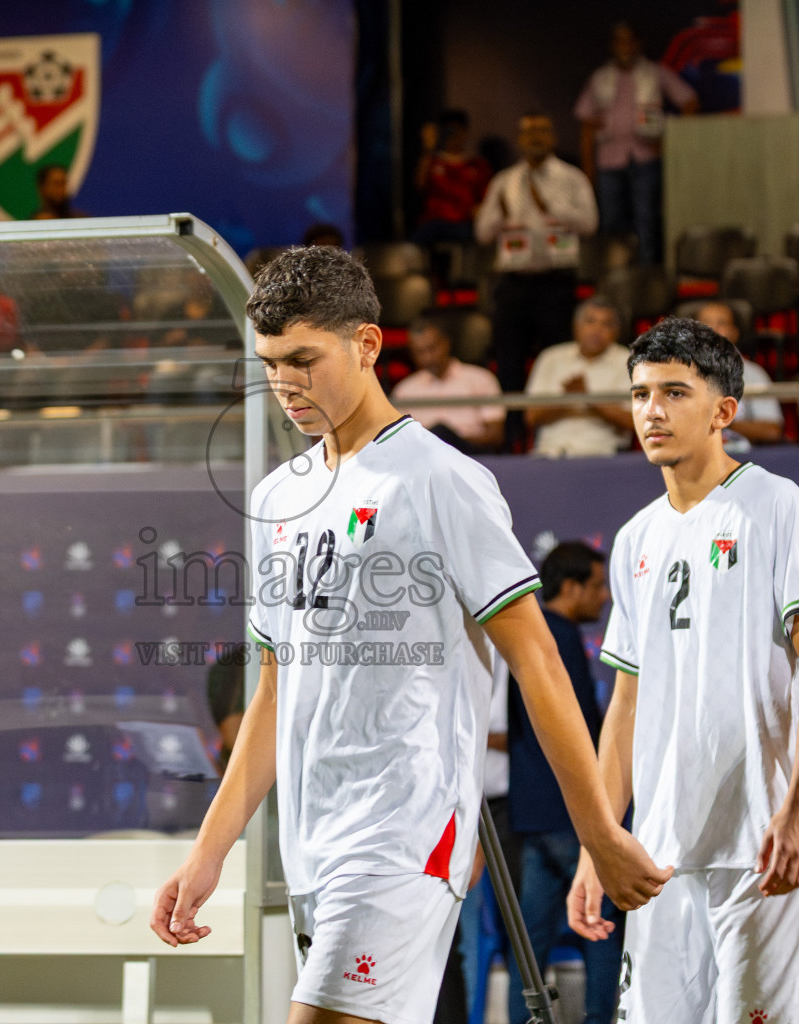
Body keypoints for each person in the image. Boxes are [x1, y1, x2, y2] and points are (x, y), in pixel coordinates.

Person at [150, 246, 671, 1024]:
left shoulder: (442, 479)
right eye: (268, 364)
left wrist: (596, 828)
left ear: (367, 345)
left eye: (303, 359)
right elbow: (273, 692)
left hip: (404, 832)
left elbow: (537, 662)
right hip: (312, 843)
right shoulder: (276, 496)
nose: (284, 384)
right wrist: (210, 848)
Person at [570, 317, 799, 1024]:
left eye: (673, 392)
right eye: (638, 395)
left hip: (762, 840)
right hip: (659, 853)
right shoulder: (634, 538)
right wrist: (597, 845)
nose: (651, 411)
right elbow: (624, 707)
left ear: (724, 411)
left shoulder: (776, 505)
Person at [508, 541, 624, 1024]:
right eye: (597, 586)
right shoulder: (558, 640)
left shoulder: (525, 632)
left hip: (533, 816)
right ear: (571, 586)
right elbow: (579, 733)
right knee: (601, 931)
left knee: (529, 951)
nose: (605, 597)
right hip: (571, 821)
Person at [475, 113, 598, 408]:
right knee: (510, 363)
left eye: (541, 131)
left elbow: (590, 224)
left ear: (553, 137)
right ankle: (512, 440)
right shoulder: (504, 181)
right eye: (528, 132)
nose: (535, 138)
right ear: (519, 139)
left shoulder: (571, 178)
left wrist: (552, 207)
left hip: (555, 282)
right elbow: (482, 233)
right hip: (513, 283)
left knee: (556, 358)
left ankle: (551, 431)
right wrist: (501, 217)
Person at [574, 22, 698, 265]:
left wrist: (671, 136)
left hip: (646, 157)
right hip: (609, 159)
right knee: (611, 220)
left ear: (639, 43)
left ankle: (648, 276)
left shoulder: (654, 72)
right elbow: (586, 122)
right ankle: (615, 273)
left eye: (630, 40)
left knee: (647, 218)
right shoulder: (601, 77)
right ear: (612, 45)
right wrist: (588, 169)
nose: (625, 46)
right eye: (620, 41)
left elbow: (690, 101)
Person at [524, 297, 632, 458]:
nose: (597, 330)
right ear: (576, 326)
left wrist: (590, 399)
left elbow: (635, 422)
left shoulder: (629, 361)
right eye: (590, 322)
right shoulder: (551, 357)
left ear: (616, 332)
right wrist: (566, 398)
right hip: (548, 454)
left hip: (602, 456)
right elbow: (531, 416)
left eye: (606, 324)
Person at [391, 311, 505, 454]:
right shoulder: (404, 390)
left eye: (432, 348)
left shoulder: (481, 379)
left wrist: (449, 442)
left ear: (446, 343)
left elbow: (495, 436)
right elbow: (397, 441)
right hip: (424, 459)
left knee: (441, 433)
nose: (428, 357)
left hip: (469, 455)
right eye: (420, 352)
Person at [694, 300, 784, 451]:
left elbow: (771, 431)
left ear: (734, 333)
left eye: (721, 323)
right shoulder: (681, 374)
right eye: (706, 324)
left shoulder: (754, 374)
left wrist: (723, 421)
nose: (713, 330)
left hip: (741, 458)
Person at [413, 109, 492, 247]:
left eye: (458, 130)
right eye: (449, 130)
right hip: (434, 223)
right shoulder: (432, 161)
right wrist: (427, 149)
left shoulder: (477, 165)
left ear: (465, 131)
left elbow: (486, 198)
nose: (454, 135)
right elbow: (419, 186)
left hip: (464, 224)